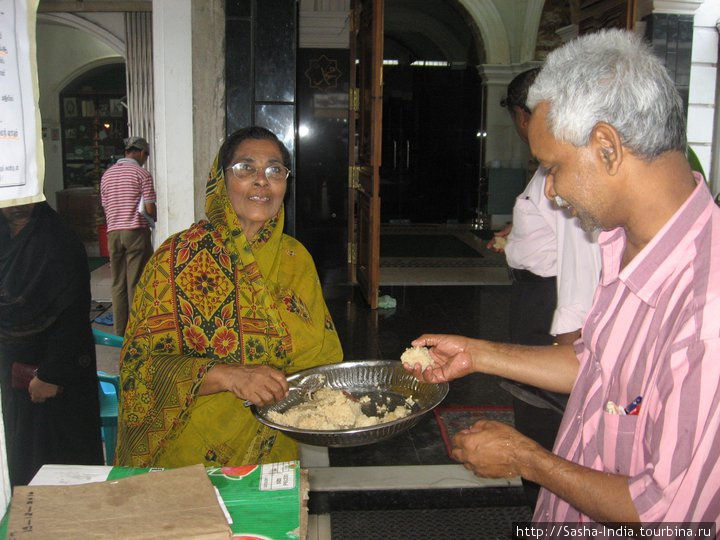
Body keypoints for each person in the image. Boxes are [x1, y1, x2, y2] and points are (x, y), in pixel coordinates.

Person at [409, 29, 720, 528]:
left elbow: (666, 513)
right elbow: (598, 365)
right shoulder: (626, 247)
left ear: (606, 148)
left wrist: (528, 460)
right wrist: (478, 354)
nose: (550, 191)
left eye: (554, 167)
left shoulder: (707, 309)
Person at [115, 126, 343, 468]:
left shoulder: (296, 259)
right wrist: (230, 376)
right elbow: (138, 372)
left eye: (275, 170)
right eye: (245, 168)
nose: (261, 181)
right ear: (221, 180)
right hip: (190, 456)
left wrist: (339, 395)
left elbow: (319, 354)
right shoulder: (177, 258)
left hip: (274, 453)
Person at [489, 68, 602, 505]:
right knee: (530, 397)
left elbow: (580, 257)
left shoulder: (567, 170)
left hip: (553, 306)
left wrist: (567, 341)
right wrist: (515, 240)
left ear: (524, 115)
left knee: (545, 414)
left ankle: (549, 503)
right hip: (540, 295)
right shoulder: (550, 169)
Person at [0, 202, 104, 487]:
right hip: (12, 371)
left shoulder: (58, 240)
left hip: (60, 375)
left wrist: (51, 374)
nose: (17, 205)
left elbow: (73, 314)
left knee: (64, 467)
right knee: (21, 459)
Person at [100, 136, 157, 337]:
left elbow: (106, 206)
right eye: (147, 155)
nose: (146, 159)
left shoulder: (106, 175)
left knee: (118, 283)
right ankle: (137, 333)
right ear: (141, 152)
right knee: (136, 282)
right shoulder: (142, 174)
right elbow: (149, 209)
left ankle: (119, 333)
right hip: (135, 233)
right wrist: (154, 214)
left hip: (113, 234)